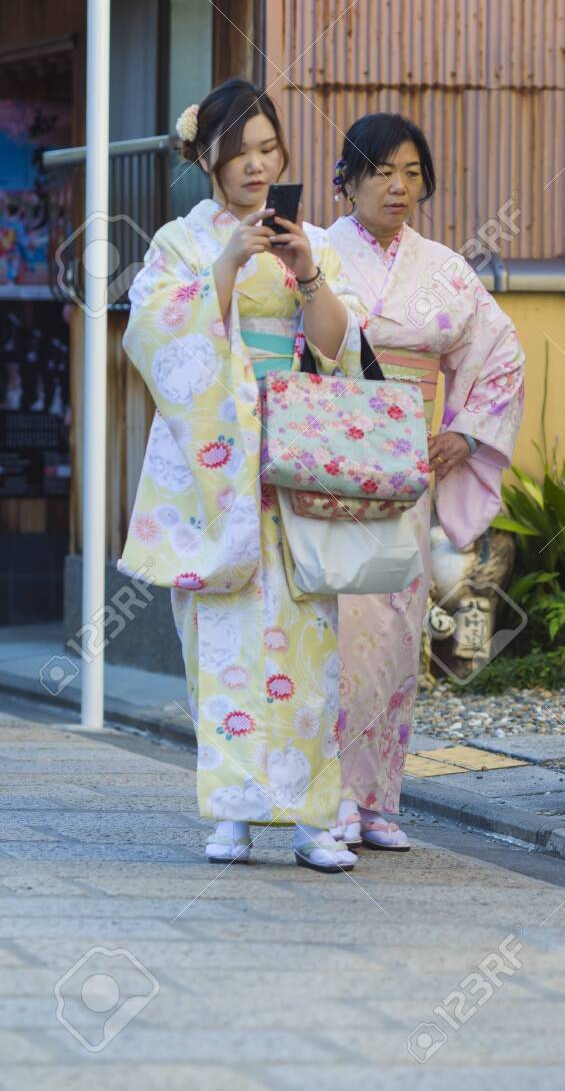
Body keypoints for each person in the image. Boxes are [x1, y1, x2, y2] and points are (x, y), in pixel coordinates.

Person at [118, 77, 364, 872]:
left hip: (291, 454)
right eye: (241, 154)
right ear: (208, 161)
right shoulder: (181, 243)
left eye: (269, 149)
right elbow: (156, 342)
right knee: (219, 643)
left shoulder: (313, 240)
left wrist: (307, 275)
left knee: (309, 643)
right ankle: (229, 812)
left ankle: (312, 818)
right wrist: (224, 264)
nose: (259, 167)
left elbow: (337, 349)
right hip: (217, 463)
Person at [325, 113, 525, 851]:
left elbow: (501, 352)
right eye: (381, 171)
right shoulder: (317, 255)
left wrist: (466, 432)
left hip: (405, 464)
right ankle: (333, 795)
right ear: (344, 179)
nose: (398, 186)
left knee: (396, 627)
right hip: (330, 460)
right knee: (336, 623)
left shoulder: (443, 268)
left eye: (412, 172)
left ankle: (379, 798)